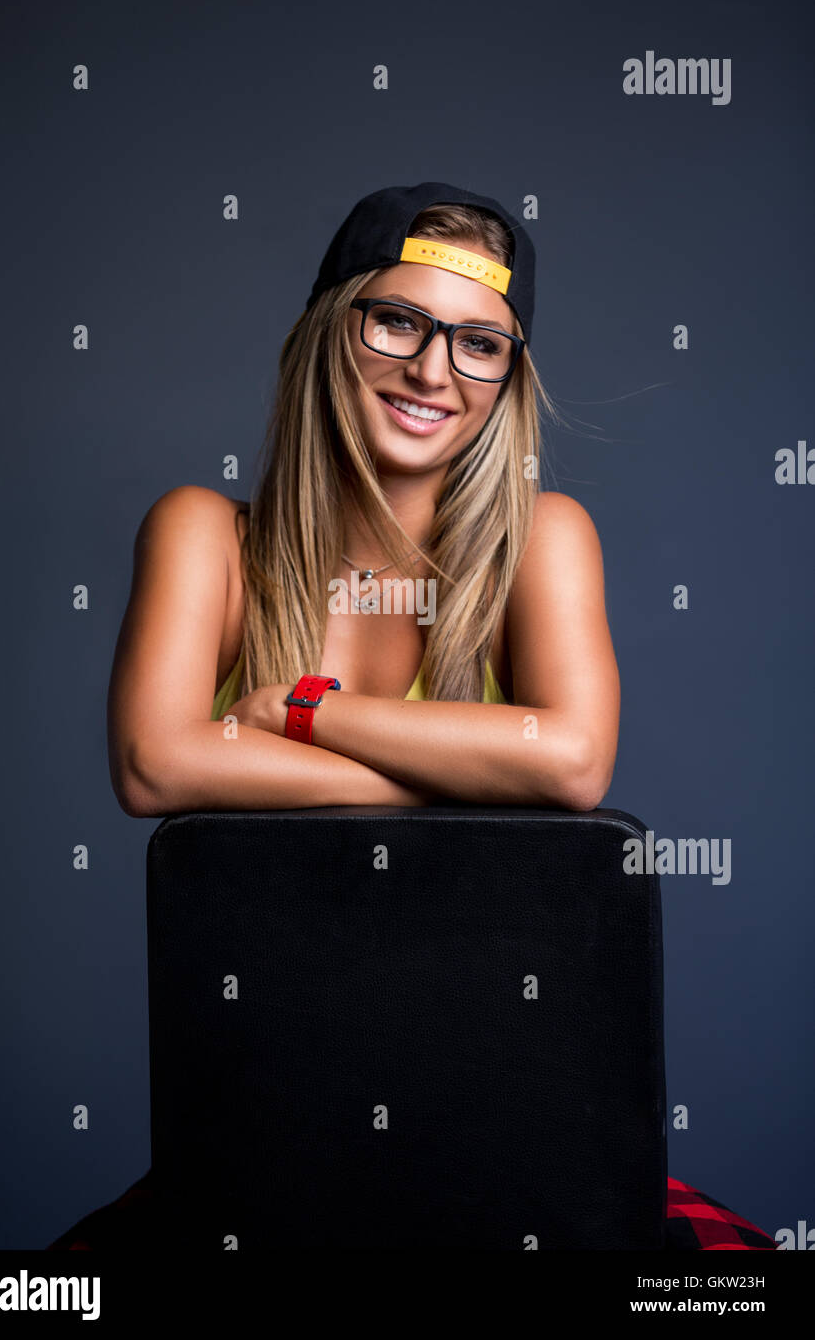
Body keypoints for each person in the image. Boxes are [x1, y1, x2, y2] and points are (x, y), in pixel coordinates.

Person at [48, 182, 775, 1251]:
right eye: (397, 321)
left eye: (480, 344)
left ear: (506, 379)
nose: (433, 370)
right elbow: (154, 765)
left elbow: (570, 766)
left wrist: (301, 711)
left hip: (515, 1122)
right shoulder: (202, 535)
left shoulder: (543, 538)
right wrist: (464, 773)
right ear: (327, 329)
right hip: (263, 1137)